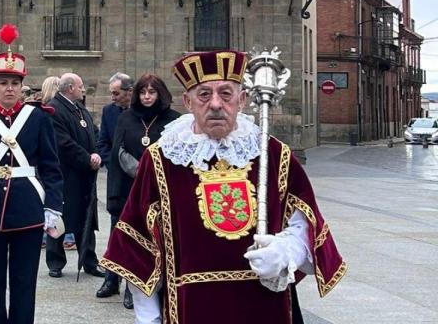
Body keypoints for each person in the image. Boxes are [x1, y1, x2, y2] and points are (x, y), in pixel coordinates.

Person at [101, 50, 346, 324]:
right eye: (204, 94)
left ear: (242, 100)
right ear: (188, 102)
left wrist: (286, 251)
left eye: (226, 94)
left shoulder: (274, 155)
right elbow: (138, 245)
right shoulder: (161, 159)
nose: (215, 104)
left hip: (265, 305)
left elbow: (307, 227)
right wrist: (148, 318)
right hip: (190, 308)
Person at [0, 24, 64, 324]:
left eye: (15, 83)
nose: (10, 89)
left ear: (22, 85)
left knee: (24, 284)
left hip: (28, 210)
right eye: (4, 82)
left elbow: (52, 167)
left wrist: (53, 206)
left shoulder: (38, 118)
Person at [103, 73, 180, 309]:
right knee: (127, 238)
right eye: (143, 92)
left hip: (159, 190)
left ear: (160, 94)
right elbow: (118, 150)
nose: (147, 97)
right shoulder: (126, 118)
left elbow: (176, 155)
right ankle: (127, 284)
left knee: (156, 239)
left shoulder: (173, 120)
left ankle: (158, 283)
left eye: (152, 92)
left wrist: (151, 173)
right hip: (128, 188)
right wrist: (138, 171)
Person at [46, 72, 102, 278]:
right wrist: (87, 159)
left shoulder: (80, 109)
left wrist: (96, 153)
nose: (83, 90)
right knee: (60, 218)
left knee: (86, 218)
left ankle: (89, 260)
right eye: (80, 87)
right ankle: (55, 261)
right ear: (70, 88)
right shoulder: (54, 109)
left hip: (84, 176)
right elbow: (63, 143)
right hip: (65, 175)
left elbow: (94, 133)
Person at [95, 72, 133, 299]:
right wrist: (115, 165)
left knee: (136, 234)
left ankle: (132, 286)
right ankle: (111, 280)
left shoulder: (140, 113)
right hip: (117, 183)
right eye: (111, 93)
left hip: (139, 181)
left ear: (129, 92)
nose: (113, 98)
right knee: (116, 231)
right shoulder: (109, 112)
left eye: (116, 93)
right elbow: (103, 143)